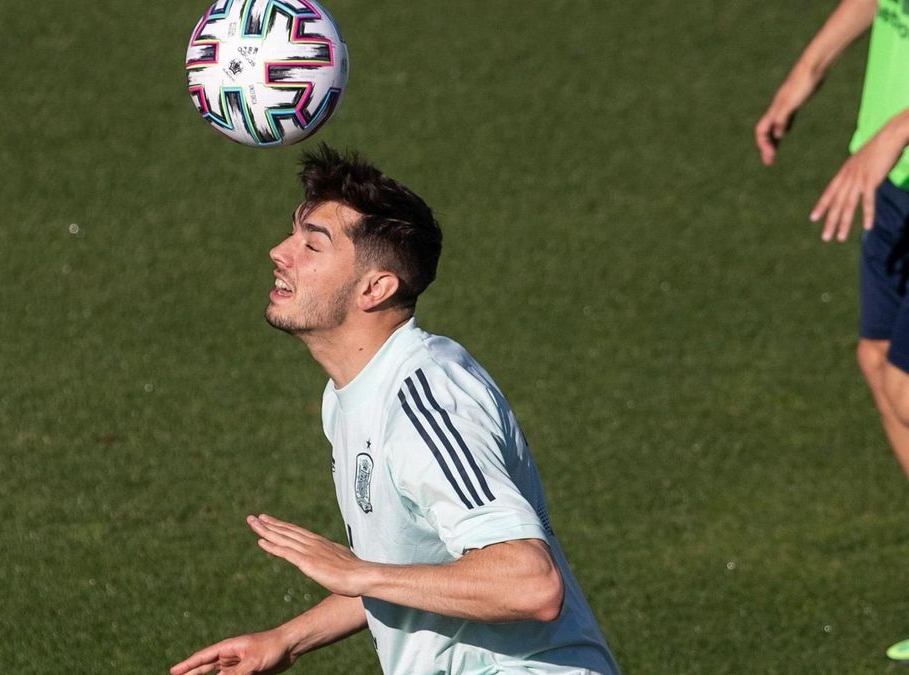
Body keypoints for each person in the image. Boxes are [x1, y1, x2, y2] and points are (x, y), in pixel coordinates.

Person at [170, 146, 618, 675]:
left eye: (312, 245)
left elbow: (529, 583)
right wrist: (288, 640)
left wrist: (357, 573)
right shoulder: (350, 395)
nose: (278, 252)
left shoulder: (424, 401)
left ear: (375, 288)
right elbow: (418, 572)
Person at [754, 0, 909, 662]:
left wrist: (897, 128)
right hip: (889, 181)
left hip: (890, 154)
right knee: (876, 359)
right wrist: (806, 73)